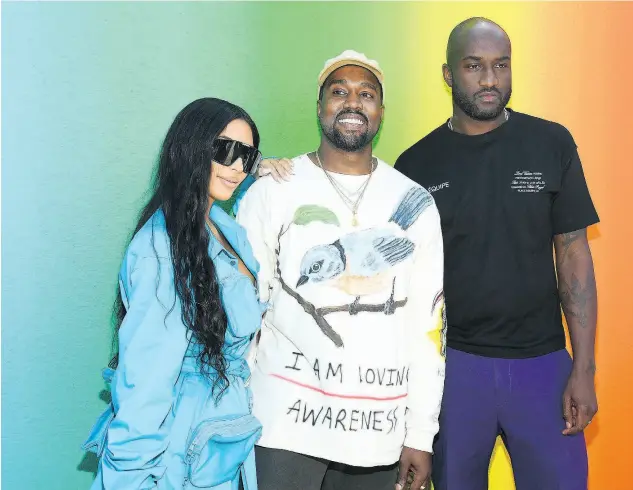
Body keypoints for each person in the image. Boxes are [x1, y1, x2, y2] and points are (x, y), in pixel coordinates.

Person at [394, 18, 599, 490]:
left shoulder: (551, 143)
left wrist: (583, 368)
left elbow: (574, 256)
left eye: (500, 66)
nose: (490, 80)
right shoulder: (415, 166)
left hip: (543, 366)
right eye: (474, 66)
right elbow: (401, 286)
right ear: (448, 74)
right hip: (455, 371)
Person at [235, 50, 445, 490]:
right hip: (281, 428)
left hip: (377, 435)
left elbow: (427, 328)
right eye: (339, 92)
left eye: (366, 94)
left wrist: (421, 434)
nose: (353, 102)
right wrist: (235, 411)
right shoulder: (272, 192)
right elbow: (241, 311)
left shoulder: (418, 202)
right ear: (319, 107)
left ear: (381, 112)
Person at [82, 97, 268, 490]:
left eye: (247, 156)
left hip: (218, 444)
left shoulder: (222, 226)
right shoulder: (160, 249)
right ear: (191, 147)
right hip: (177, 456)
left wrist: (270, 168)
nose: (237, 166)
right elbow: (145, 385)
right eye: (225, 150)